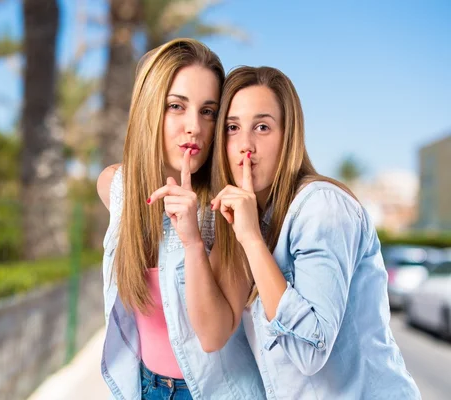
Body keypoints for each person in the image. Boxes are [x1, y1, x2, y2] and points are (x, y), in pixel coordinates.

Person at [206, 65, 421, 399]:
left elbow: (310, 350)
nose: (246, 145)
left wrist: (250, 240)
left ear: (288, 135)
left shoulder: (322, 207)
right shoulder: (257, 217)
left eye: (262, 127)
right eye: (233, 128)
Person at [97, 39, 266, 400]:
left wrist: (191, 242)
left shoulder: (230, 209)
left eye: (208, 112)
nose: (194, 127)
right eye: (177, 106)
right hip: (142, 388)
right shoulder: (117, 188)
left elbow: (214, 334)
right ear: (149, 110)